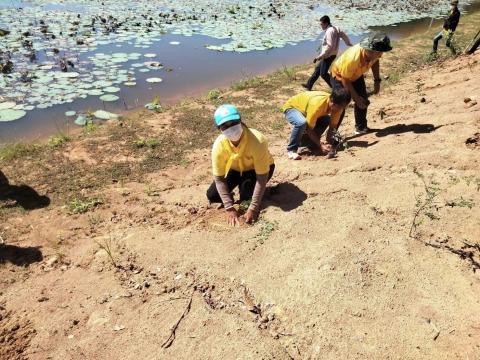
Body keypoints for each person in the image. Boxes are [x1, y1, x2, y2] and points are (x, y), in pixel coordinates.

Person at [206, 105, 275, 226]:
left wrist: (253, 207)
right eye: (225, 126)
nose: (231, 128)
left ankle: (260, 192)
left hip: (256, 170)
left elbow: (262, 176)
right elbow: (219, 179)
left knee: (246, 198)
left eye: (234, 122)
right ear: (220, 129)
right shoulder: (219, 145)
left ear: (240, 120)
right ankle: (233, 194)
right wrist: (229, 207)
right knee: (213, 195)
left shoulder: (257, 140)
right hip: (235, 168)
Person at [329, 32, 392, 135]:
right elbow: (345, 79)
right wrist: (356, 98)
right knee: (341, 104)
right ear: (369, 50)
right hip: (340, 77)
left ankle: (361, 128)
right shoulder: (353, 59)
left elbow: (375, 61)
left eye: (381, 52)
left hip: (356, 74)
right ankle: (332, 135)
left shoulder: (374, 53)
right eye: (379, 52)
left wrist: (377, 81)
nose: (380, 55)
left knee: (363, 100)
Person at [282, 88, 351, 160]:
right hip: (292, 108)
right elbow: (309, 129)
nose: (341, 109)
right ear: (332, 101)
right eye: (339, 107)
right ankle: (291, 149)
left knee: (326, 120)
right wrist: (320, 145)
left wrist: (328, 142)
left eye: (343, 107)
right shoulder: (317, 105)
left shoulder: (339, 107)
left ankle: (309, 142)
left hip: (307, 111)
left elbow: (332, 126)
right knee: (302, 123)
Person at [302, 15, 353, 90]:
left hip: (328, 55)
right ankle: (309, 85)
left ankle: (337, 88)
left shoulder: (329, 32)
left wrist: (319, 56)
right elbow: (343, 35)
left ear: (326, 24)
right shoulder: (336, 28)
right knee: (318, 69)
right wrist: (348, 43)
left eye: (321, 24)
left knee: (323, 73)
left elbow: (329, 46)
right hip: (332, 54)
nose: (321, 26)